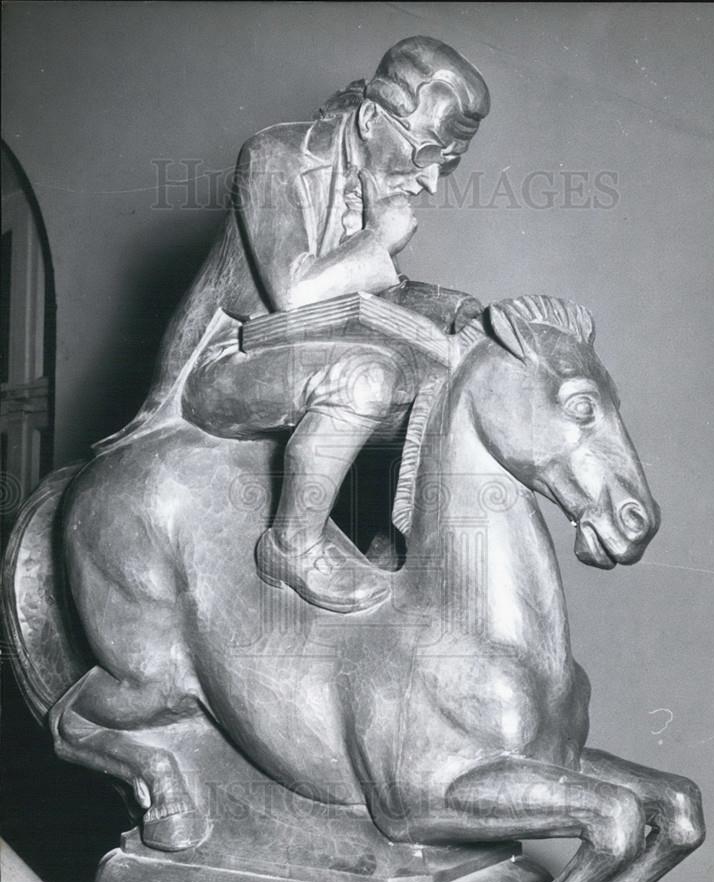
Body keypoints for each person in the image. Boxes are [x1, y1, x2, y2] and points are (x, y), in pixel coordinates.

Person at [98, 36, 490, 613]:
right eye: (427, 154)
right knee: (365, 381)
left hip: (289, 360)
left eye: (448, 165)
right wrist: (378, 240)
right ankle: (293, 544)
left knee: (435, 383)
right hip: (226, 362)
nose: (430, 182)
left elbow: (382, 291)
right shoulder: (274, 154)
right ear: (370, 120)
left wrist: (462, 310)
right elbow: (296, 288)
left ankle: (388, 541)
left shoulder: (370, 182)